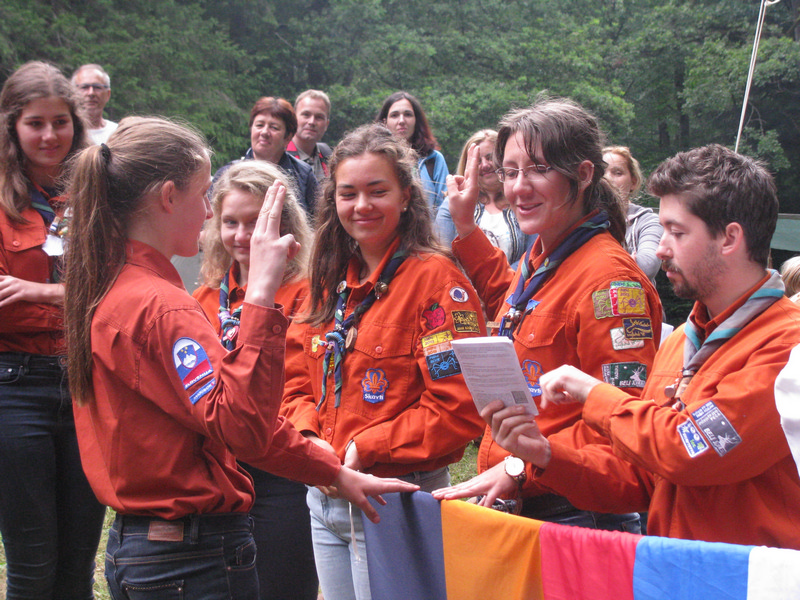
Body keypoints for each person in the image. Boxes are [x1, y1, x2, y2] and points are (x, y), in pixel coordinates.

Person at [63, 116, 418, 600]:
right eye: (203, 195)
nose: (208, 212)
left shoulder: (115, 286)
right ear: (168, 198)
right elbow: (241, 424)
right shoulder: (162, 306)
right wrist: (261, 294)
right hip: (190, 555)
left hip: (148, 544)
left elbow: (224, 418)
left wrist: (330, 472)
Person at [475, 144, 800, 549]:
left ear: (730, 238)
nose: (661, 248)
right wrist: (545, 455)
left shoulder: (788, 347)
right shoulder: (681, 341)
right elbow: (641, 479)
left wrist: (593, 394)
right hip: (672, 569)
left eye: (677, 232)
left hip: (748, 574)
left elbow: (687, 449)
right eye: (662, 230)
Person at [432, 98, 662, 532]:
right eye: (510, 171)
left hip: (576, 516)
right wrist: (466, 229)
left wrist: (521, 467)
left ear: (584, 174)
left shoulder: (610, 282)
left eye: (538, 169)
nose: (519, 188)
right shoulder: (544, 256)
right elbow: (519, 305)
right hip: (533, 510)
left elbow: (621, 425)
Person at [281, 123, 486, 600]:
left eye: (377, 191)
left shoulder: (437, 283)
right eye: (348, 193)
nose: (362, 206)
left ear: (406, 197)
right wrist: (310, 439)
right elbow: (294, 382)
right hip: (324, 496)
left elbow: (459, 407)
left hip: (394, 498)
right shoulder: (327, 280)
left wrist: (365, 445)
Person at [0, 60, 106, 600]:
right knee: (33, 565)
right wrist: (81, 299)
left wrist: (41, 293)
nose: (49, 135)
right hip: (14, 387)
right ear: (12, 127)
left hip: (87, 384)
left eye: (60, 122)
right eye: (35, 123)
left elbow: (121, 289)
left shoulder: (97, 193)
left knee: (77, 565)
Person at [192, 160, 318, 600]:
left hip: (281, 466)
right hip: (218, 470)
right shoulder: (204, 296)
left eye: (255, 222)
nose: (243, 235)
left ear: (284, 227)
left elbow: (304, 382)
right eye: (231, 222)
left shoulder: (309, 291)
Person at [435, 129, 534, 267]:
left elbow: (533, 254)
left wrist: (508, 277)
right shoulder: (452, 204)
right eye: (478, 161)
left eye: (490, 157)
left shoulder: (523, 200)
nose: (485, 165)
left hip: (517, 279)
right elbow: (442, 256)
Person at [220, 96, 318, 218]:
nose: (264, 132)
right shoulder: (227, 174)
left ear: (288, 137)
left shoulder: (303, 174)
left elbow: (317, 222)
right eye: (259, 125)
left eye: (274, 127)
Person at [376, 91, 449, 212]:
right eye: (394, 115)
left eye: (408, 114)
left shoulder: (433, 160)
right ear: (384, 122)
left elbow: (445, 206)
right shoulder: (375, 159)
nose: (401, 121)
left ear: (416, 120)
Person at [603, 145, 663, 285]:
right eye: (601, 172)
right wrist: (628, 261)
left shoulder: (648, 221)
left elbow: (647, 266)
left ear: (633, 182)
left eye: (617, 173)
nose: (607, 178)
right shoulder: (580, 219)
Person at [287, 89, 332, 182]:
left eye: (319, 117)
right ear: (294, 118)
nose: (312, 122)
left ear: (326, 124)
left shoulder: (328, 156)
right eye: (306, 115)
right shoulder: (280, 155)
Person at [71, 63, 117, 144]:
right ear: (73, 92)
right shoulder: (67, 133)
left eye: (97, 87)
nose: (91, 93)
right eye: (84, 87)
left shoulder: (117, 133)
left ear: (108, 94)